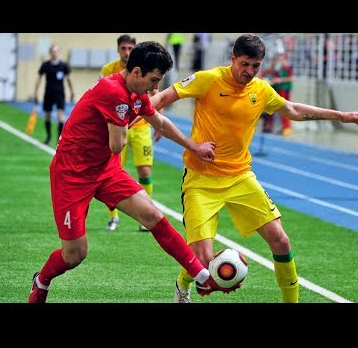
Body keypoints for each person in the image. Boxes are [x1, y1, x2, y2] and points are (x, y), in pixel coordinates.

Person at [150, 33, 358, 303]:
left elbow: (293, 110)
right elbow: (159, 99)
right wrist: (154, 122)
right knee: (203, 262)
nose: (249, 72)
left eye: (256, 66)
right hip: (201, 180)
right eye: (244, 64)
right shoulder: (207, 79)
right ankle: (182, 285)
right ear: (232, 58)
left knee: (281, 241)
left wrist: (342, 116)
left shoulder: (261, 90)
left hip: (241, 177)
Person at [28, 41, 237, 303]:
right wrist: (126, 114)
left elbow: (159, 120)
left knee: (153, 215)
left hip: (105, 169)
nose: (155, 88)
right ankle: (42, 280)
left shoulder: (135, 92)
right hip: (72, 175)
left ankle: (203, 278)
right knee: (75, 254)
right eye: (153, 80)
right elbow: (117, 144)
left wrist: (193, 147)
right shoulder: (113, 91)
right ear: (136, 72)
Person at [100, 34, 158, 232]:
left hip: (141, 128)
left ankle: (145, 217)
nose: (127, 52)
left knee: (145, 172)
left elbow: (155, 95)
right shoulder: (109, 70)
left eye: (130, 48)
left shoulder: (144, 70)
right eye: (123, 48)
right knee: (113, 172)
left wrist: (158, 124)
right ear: (118, 49)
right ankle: (113, 218)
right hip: (118, 128)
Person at [34, 44, 75, 146]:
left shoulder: (63, 65)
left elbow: (69, 79)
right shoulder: (46, 65)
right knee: (47, 116)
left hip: (60, 93)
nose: (55, 53)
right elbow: (39, 78)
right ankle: (48, 136)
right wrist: (35, 92)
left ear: (59, 53)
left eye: (56, 51)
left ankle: (59, 139)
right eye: (53, 51)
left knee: (60, 116)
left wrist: (72, 92)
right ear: (50, 53)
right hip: (48, 92)